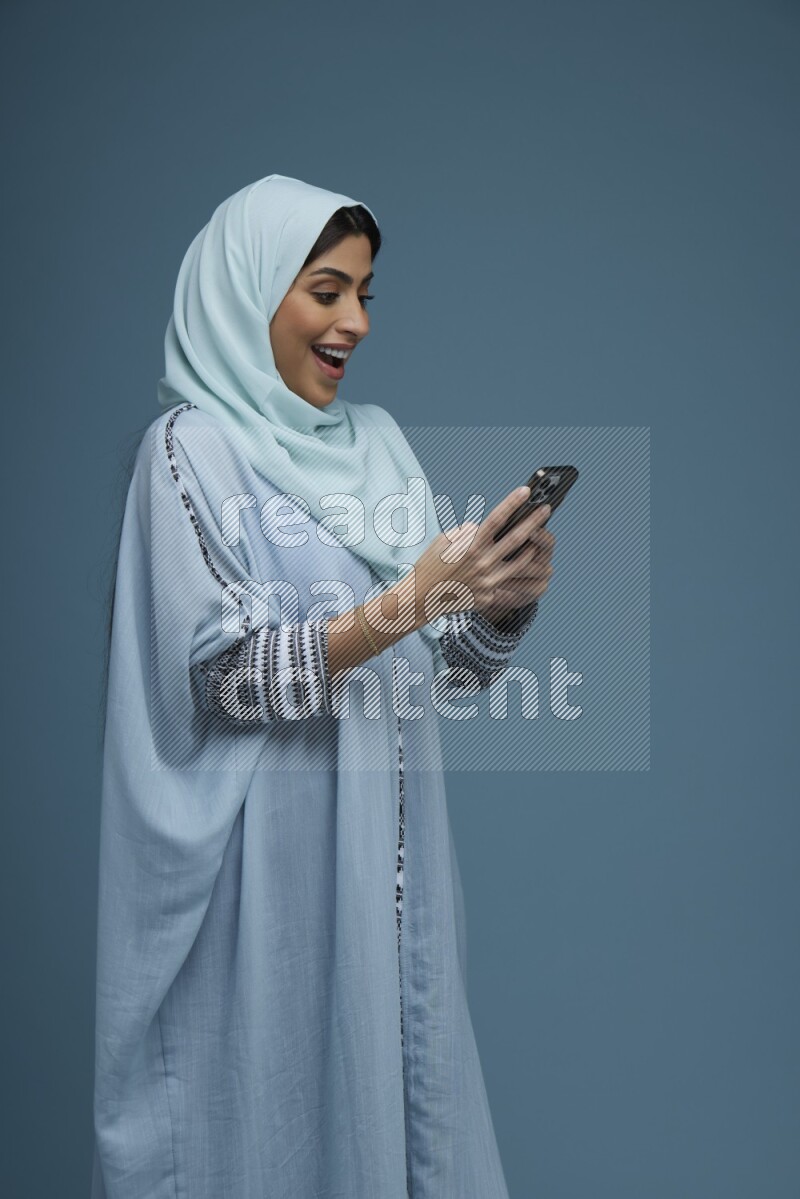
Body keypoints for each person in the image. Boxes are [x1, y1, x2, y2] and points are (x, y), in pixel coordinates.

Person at [90, 174, 556, 1199]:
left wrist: (500, 602)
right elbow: (232, 676)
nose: (353, 321)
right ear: (245, 293)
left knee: (399, 1117)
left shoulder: (373, 448)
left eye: (365, 295)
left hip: (390, 878)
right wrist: (411, 598)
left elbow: (451, 675)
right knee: (266, 1124)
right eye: (324, 289)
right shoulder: (188, 455)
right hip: (267, 879)